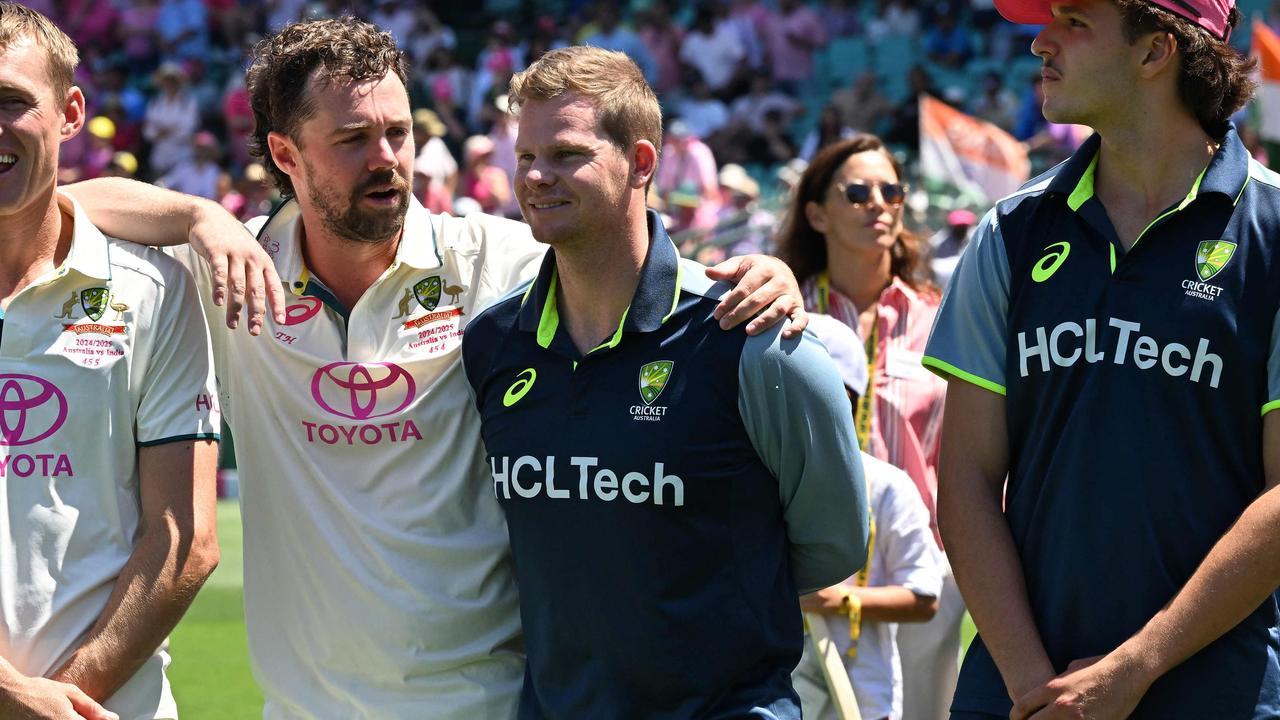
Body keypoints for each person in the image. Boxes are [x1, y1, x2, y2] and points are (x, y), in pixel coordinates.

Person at [67, 17, 811, 719]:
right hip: (305, 708)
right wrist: (199, 217)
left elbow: (652, 276)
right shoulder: (232, 274)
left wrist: (766, 277)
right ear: (287, 156)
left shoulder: (496, 261)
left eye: (397, 132)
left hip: (482, 701)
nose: (387, 158)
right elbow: (60, 203)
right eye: (353, 138)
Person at [461, 45, 869, 718]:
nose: (536, 176)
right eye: (526, 157)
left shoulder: (752, 336)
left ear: (642, 163)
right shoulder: (492, 344)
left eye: (566, 155)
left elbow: (832, 544)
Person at [922, 0, 1280, 716]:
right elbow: (964, 475)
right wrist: (1033, 685)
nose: (1040, 43)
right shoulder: (1010, 232)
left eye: (1076, 21)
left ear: (1155, 52)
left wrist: (1133, 667)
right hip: (1023, 692)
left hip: (1215, 692)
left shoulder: (1273, 231)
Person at [0, 3, 220, 719]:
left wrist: (64, 697)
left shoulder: (151, 289)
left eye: (11, 102)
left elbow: (183, 538)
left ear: (70, 112)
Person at [775, 134, 964, 720]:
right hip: (801, 567)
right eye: (856, 192)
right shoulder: (778, 313)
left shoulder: (940, 317)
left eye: (892, 191)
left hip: (916, 562)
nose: (878, 203)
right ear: (815, 213)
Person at [793, 314, 944, 720]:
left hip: (863, 698)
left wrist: (839, 600)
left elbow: (924, 596)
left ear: (851, 403)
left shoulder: (887, 487)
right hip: (776, 697)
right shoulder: (757, 482)